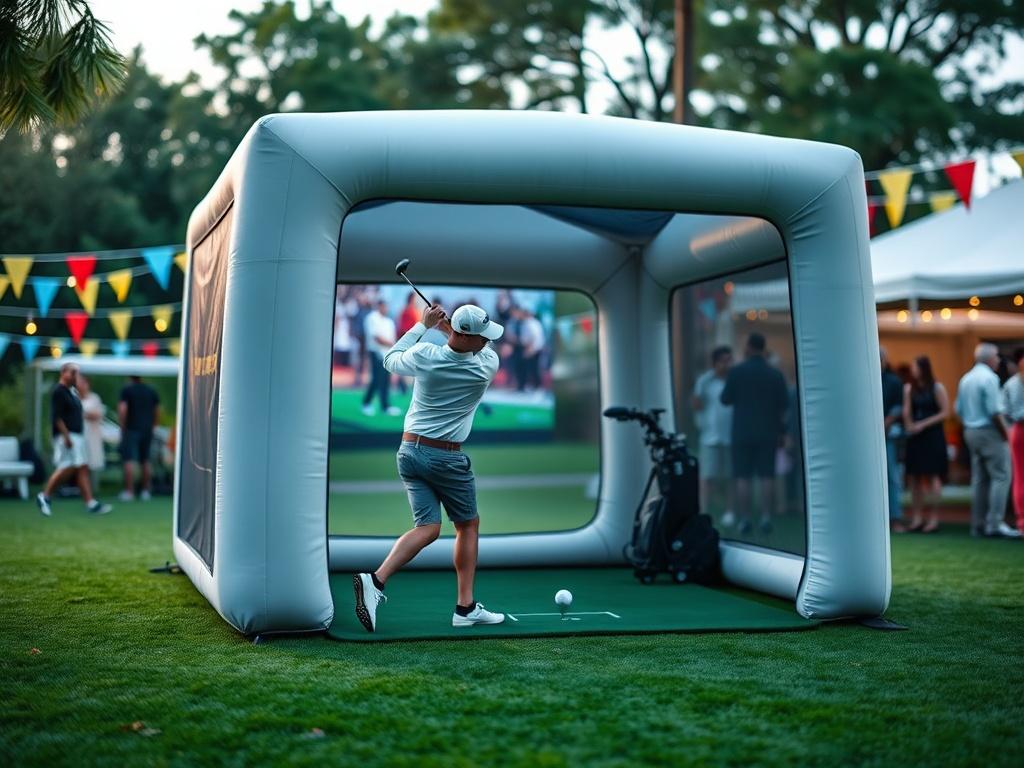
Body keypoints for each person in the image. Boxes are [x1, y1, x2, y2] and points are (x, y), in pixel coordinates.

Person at [352, 303, 506, 632]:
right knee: (468, 526)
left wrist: (424, 325)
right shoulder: (485, 366)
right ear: (469, 337)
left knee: (429, 529)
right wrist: (448, 328)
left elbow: (390, 358)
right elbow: (471, 345)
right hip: (446, 458)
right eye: (481, 337)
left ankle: (375, 581)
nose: (486, 342)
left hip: (409, 452)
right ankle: (465, 609)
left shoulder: (425, 354)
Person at [720, 332, 789, 535]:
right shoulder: (775, 374)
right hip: (768, 431)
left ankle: (745, 519)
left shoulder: (736, 372)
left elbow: (725, 399)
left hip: (741, 431)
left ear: (749, 347)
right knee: (767, 475)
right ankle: (766, 516)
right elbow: (783, 405)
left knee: (743, 476)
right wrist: (782, 432)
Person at [956, 343, 1018, 538]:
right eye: (997, 356)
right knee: (1001, 476)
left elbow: (958, 409)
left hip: (970, 431)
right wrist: (1005, 434)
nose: (999, 360)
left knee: (980, 480)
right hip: (989, 432)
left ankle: (978, 524)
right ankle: (995, 523)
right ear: (990, 358)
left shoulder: (966, 378)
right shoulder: (990, 378)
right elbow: (994, 412)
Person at [35, 363, 112, 517]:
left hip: (77, 435)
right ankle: (45, 495)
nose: (75, 377)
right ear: (63, 373)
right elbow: (56, 417)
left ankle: (90, 503)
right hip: (68, 436)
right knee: (67, 466)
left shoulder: (71, 392)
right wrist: (66, 436)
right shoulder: (59, 391)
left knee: (82, 467)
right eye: (72, 373)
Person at [902, 356, 949, 533]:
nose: (912, 370)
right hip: (915, 436)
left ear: (923, 368)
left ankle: (933, 519)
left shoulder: (937, 387)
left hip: (933, 436)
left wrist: (923, 424)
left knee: (933, 476)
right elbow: (907, 409)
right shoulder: (909, 388)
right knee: (914, 477)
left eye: (915, 366)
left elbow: (945, 412)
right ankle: (917, 518)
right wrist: (909, 425)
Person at [692, 346, 734, 527]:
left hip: (730, 435)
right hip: (709, 436)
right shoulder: (705, 381)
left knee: (729, 476)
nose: (727, 364)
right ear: (715, 362)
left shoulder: (733, 379)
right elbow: (696, 402)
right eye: (724, 361)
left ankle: (730, 511)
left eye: (729, 360)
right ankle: (704, 511)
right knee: (707, 477)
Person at [119, 375, 160, 501]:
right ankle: (145, 491)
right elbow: (157, 410)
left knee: (128, 460)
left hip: (131, 429)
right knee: (146, 460)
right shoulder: (151, 391)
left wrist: (123, 426)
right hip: (147, 429)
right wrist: (153, 425)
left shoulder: (127, 390)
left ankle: (129, 491)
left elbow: (123, 409)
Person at [361, 298, 402, 417]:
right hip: (376, 352)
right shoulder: (372, 317)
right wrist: (394, 345)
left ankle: (385, 406)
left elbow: (392, 338)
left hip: (386, 354)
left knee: (385, 381)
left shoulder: (389, 321)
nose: (386, 309)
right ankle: (366, 404)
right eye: (384, 306)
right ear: (379, 306)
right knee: (376, 379)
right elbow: (376, 337)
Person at [880, 347, 906, 532]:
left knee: (892, 477)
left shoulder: (893, 381)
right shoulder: (863, 379)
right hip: (869, 439)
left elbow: (898, 408)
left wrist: (884, 424)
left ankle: (895, 518)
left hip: (887, 437)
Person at [1002, 348, 1024, 535]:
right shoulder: (1014, 383)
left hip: (1017, 429)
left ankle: (1021, 520)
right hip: (1019, 429)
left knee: (1019, 476)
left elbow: (1005, 410)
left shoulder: (1011, 383)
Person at [78, 375, 106, 495]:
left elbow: (97, 414)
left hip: (92, 436)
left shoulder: (94, 398)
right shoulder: (73, 397)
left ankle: (92, 490)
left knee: (92, 463)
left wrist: (82, 413)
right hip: (78, 436)